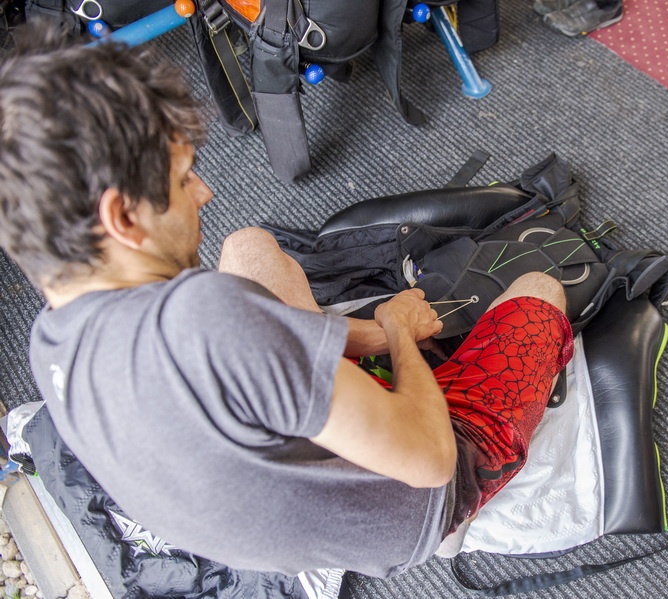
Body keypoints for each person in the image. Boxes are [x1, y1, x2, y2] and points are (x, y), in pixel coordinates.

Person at [0, 28, 573, 577]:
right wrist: (397, 330)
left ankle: (349, 360)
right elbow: (430, 460)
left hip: (266, 522)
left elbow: (229, 357)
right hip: (416, 506)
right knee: (542, 292)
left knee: (248, 246)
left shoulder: (49, 339)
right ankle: (456, 523)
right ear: (122, 218)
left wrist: (362, 336)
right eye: (182, 181)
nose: (206, 191)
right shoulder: (210, 319)